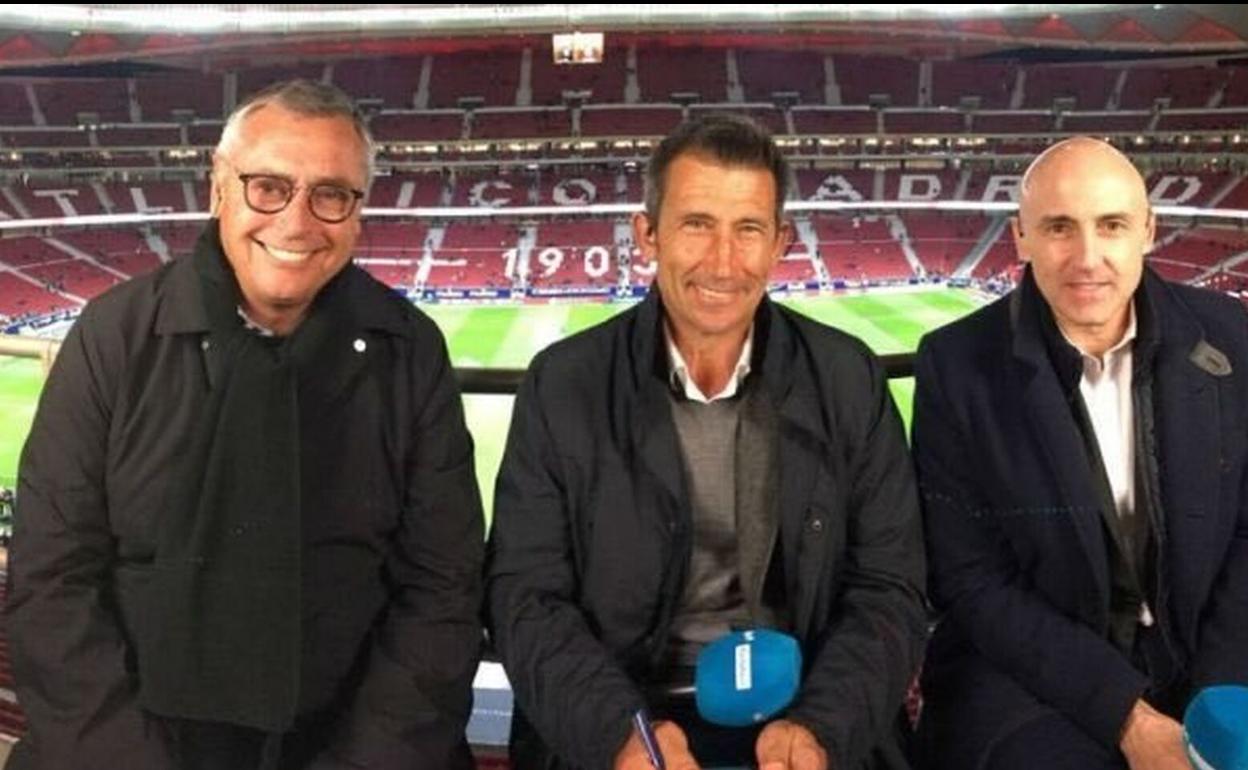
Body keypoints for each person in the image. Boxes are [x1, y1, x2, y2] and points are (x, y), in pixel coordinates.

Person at [6, 79, 484, 770]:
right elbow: (51, 583)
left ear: (357, 213)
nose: (297, 221)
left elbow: (443, 588)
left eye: (331, 194)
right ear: (218, 190)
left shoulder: (410, 352)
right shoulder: (115, 335)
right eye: (268, 186)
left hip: (344, 744)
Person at [486, 114, 927, 770]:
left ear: (779, 242)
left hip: (804, 709)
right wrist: (617, 734)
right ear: (648, 235)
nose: (723, 261)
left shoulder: (846, 377)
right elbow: (524, 596)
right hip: (626, 713)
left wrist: (821, 730)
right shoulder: (564, 385)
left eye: (747, 229)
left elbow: (890, 586)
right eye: (697, 224)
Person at [912, 136, 1248, 770]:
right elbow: (971, 580)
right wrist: (1126, 715)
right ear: (1021, 236)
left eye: (1112, 225)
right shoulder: (956, 365)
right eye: (1060, 227)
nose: (1087, 257)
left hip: (1210, 644)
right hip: (1033, 668)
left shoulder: (1230, 336)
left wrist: (1218, 701)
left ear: (1148, 230)